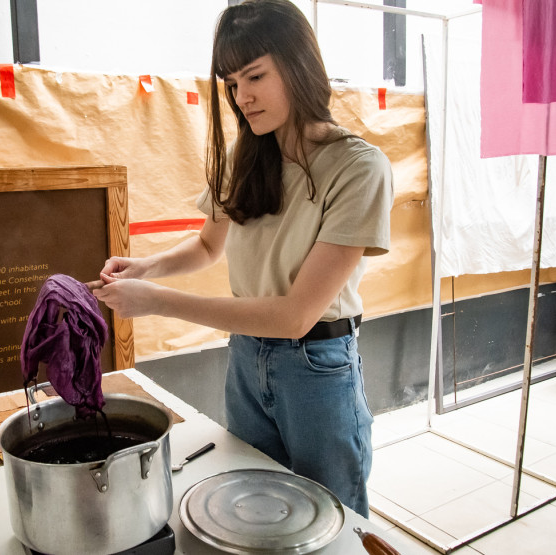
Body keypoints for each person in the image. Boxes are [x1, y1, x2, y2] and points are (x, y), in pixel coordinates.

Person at [90, 0, 393, 518]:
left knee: (333, 519)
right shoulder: (248, 154)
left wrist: (158, 301)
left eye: (255, 76)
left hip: (317, 366)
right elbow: (209, 246)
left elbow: (295, 316)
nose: (242, 97)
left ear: (299, 65)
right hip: (246, 357)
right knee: (258, 508)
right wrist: (146, 267)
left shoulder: (358, 167)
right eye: (231, 83)